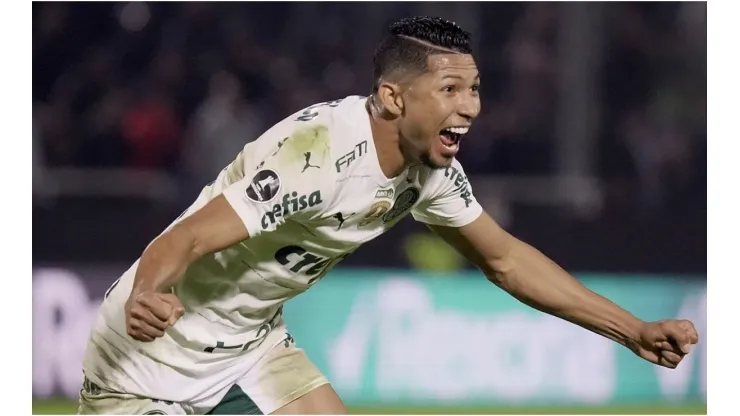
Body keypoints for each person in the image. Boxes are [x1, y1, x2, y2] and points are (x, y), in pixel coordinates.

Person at [78, 16, 699, 415]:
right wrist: (146, 293)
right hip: (146, 361)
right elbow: (185, 236)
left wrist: (633, 331)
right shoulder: (316, 155)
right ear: (394, 97)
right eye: (450, 90)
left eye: (474, 88)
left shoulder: (429, 169)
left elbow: (506, 260)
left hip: (248, 346)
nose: (471, 107)